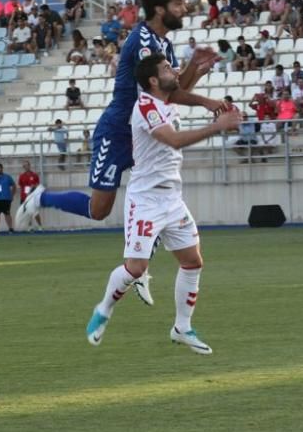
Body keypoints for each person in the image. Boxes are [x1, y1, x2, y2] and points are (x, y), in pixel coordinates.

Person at [16, 0, 223, 303]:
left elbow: (171, 95)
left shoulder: (163, 46)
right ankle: (42, 197)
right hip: (117, 133)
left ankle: (138, 267)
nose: (184, 8)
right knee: (99, 210)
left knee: (156, 197)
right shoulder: (143, 42)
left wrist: (196, 68)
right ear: (159, 9)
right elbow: (167, 94)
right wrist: (208, 102)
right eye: (178, 3)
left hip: (146, 135)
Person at [85, 53, 241, 354]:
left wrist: (206, 93)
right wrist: (218, 125)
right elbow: (174, 140)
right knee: (135, 268)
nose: (174, 70)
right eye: (168, 68)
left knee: (193, 261)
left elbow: (180, 91)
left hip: (171, 197)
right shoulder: (145, 106)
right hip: (145, 198)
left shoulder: (164, 101)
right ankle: (103, 310)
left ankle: (182, 328)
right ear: (153, 80)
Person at [17, 160, 44, 231]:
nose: (26, 167)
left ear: (29, 166)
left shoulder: (34, 175)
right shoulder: (21, 176)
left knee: (35, 212)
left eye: (27, 165)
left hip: (32, 197)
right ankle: (30, 226)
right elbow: (20, 185)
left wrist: (33, 186)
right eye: (24, 166)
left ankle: (40, 226)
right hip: (24, 197)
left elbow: (38, 185)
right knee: (27, 212)